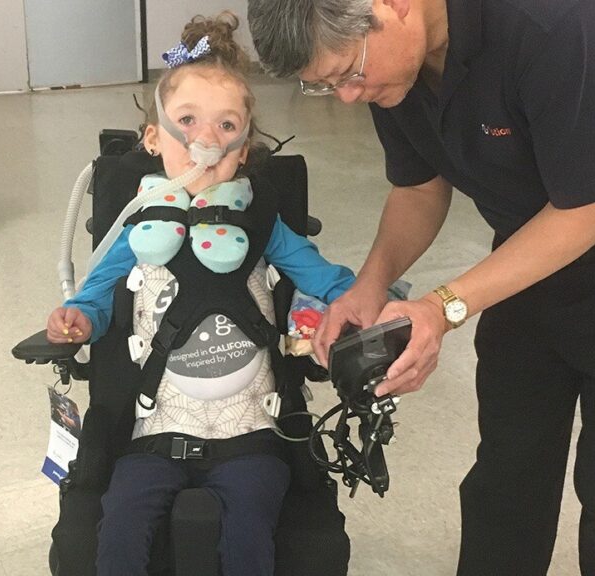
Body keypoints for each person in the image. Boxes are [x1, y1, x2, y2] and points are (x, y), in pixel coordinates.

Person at [247, 0, 595, 574]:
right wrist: (369, 286)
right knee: (506, 480)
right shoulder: (393, 67)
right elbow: (419, 188)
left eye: (348, 74)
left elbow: (589, 208)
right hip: (525, 253)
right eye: (326, 85)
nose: (347, 96)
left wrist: (442, 308)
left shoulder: (561, 20)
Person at [45, 13, 358, 575]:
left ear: (244, 147)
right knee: (119, 529)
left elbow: (331, 283)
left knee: (248, 537)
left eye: (225, 125)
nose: (205, 140)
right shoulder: (138, 229)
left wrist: (365, 306)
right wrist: (79, 319)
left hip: (251, 433)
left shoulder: (261, 224)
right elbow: (94, 296)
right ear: (153, 136)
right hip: (157, 429)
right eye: (187, 120)